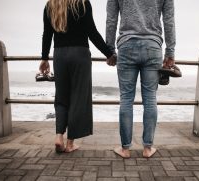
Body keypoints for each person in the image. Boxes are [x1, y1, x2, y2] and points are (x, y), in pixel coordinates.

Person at [40, 0, 116, 153]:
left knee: (61, 98)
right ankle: (70, 144)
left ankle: (58, 136)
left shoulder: (51, 5)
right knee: (78, 98)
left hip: (59, 55)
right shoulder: (82, 3)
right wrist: (108, 54)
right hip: (80, 54)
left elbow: (47, 34)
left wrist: (44, 58)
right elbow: (92, 32)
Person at [106, 0, 176, 158]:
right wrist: (170, 52)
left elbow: (111, 19)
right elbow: (168, 20)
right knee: (150, 98)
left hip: (126, 45)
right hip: (153, 46)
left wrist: (109, 50)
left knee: (126, 99)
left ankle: (125, 149)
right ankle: (147, 148)